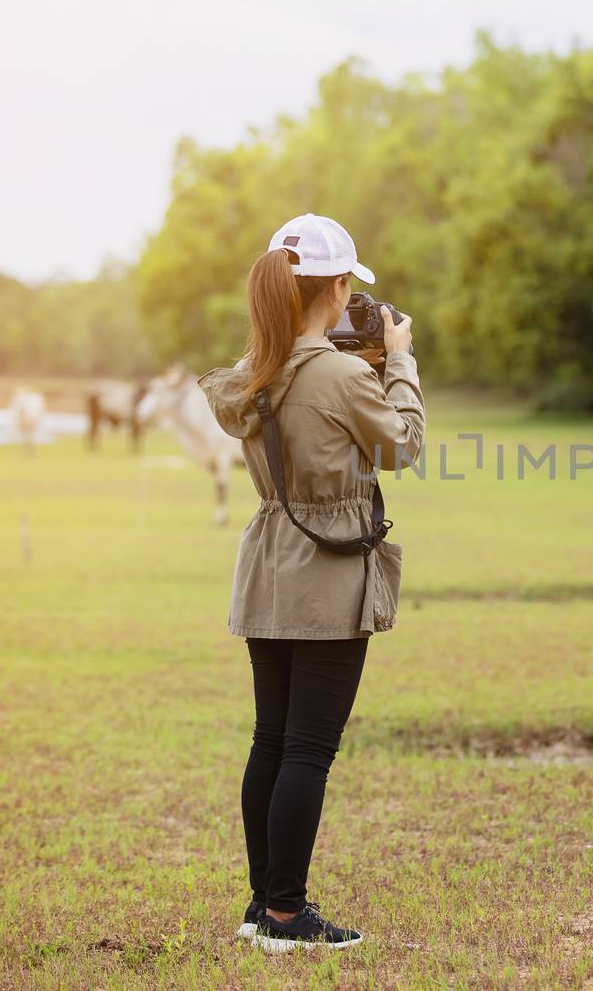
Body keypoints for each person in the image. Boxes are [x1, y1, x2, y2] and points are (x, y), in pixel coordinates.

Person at [198, 213, 422, 952]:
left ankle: (263, 902)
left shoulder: (253, 371)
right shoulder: (342, 373)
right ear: (335, 286)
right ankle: (288, 917)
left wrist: (353, 353)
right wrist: (399, 359)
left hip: (266, 568)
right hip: (325, 575)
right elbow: (403, 446)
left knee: (272, 738)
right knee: (308, 748)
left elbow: (297, 390)